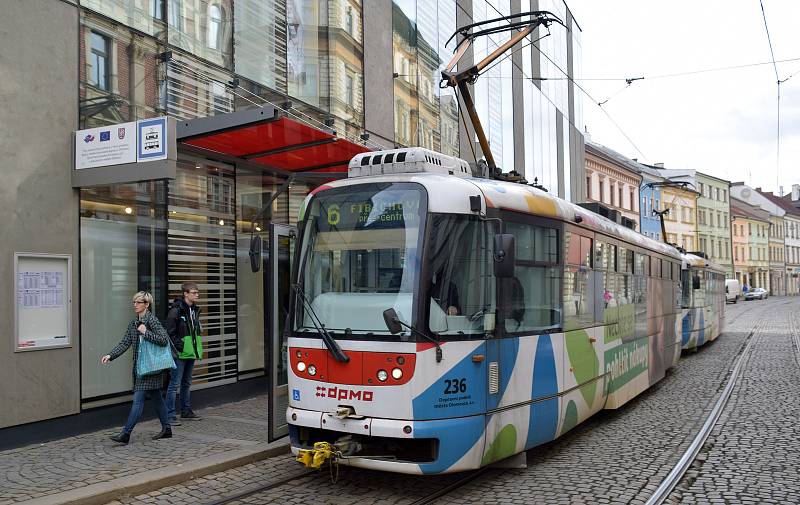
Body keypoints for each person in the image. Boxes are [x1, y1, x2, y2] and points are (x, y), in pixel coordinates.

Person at [101, 291, 172, 444]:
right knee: (157, 398)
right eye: (134, 302)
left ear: (147, 304)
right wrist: (110, 355)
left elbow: (164, 340)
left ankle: (126, 434)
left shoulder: (151, 321)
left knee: (138, 400)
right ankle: (167, 428)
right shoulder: (133, 323)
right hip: (142, 367)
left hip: (151, 367)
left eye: (138, 302)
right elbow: (125, 342)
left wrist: (146, 332)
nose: (135, 305)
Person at [165, 282, 203, 425]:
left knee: (186, 382)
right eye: (194, 292)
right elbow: (170, 333)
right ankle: (169, 415)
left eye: (197, 292)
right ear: (185, 293)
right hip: (179, 353)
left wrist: (191, 347)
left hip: (190, 352)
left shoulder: (194, 310)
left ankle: (186, 411)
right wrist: (183, 347)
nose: (197, 295)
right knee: (174, 384)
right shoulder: (176, 311)